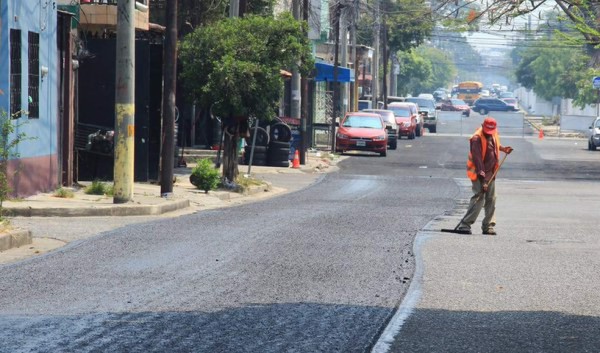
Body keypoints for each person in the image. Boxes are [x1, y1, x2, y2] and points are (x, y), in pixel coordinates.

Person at [456, 117, 513, 235]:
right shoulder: (476, 139)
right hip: (478, 173)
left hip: (491, 172)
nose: (489, 133)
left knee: (491, 199)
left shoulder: (493, 133)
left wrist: (503, 149)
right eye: (487, 131)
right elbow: (478, 162)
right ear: (483, 126)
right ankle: (464, 225)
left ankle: (488, 226)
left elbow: (493, 145)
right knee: (479, 198)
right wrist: (484, 181)